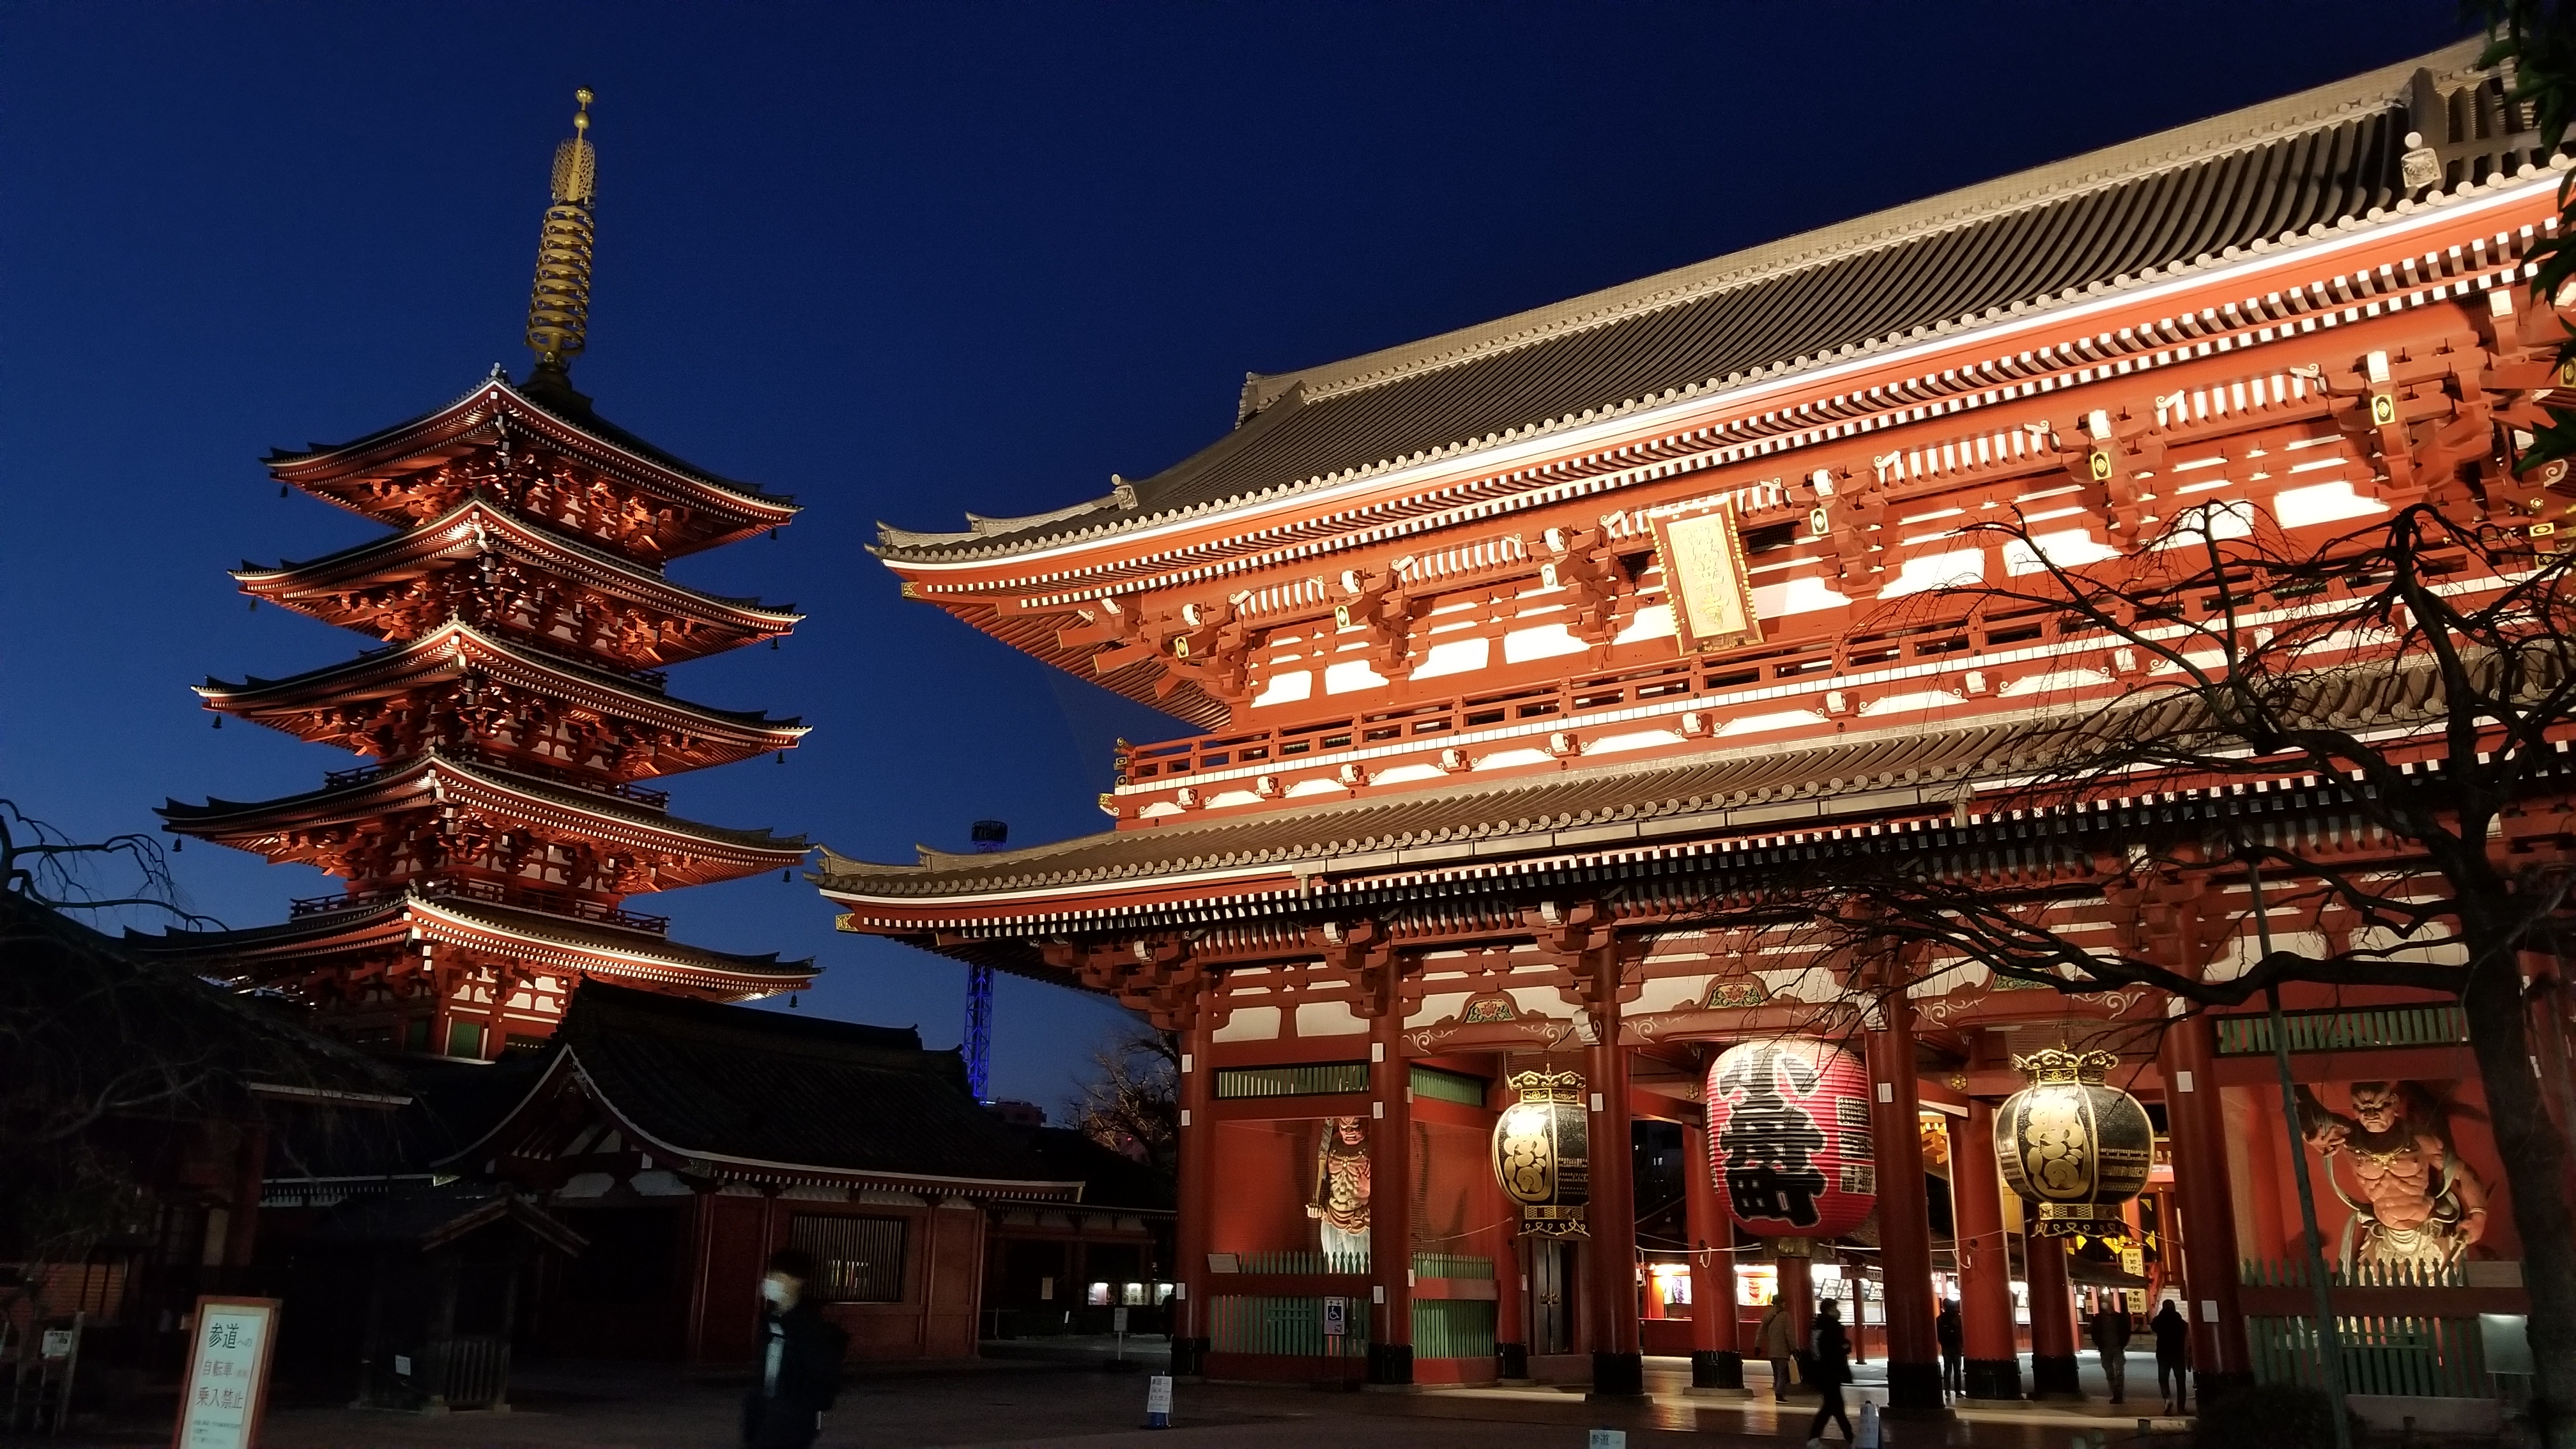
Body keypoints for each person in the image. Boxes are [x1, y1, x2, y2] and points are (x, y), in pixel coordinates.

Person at [741, 1248, 848, 1449]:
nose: (770, 1281)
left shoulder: (811, 1327)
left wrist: (800, 1410)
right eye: (770, 1276)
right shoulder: (771, 1319)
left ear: (797, 1281)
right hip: (764, 1415)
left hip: (792, 1422)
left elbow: (824, 1375)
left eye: (778, 1277)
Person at [1805, 1300, 1854, 1448]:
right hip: (1832, 1371)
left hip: (1821, 1371)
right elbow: (1836, 1348)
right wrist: (1846, 1346)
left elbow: (1817, 1349)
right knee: (1835, 1406)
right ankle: (1851, 1438)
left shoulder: (1817, 1326)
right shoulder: (1832, 1327)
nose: (1837, 1311)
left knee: (1831, 1406)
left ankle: (1814, 1439)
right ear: (1829, 1310)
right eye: (1835, 1308)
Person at [1755, 1295, 1798, 1401]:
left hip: (1772, 1351)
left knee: (1776, 1373)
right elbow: (1789, 1334)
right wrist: (1793, 1348)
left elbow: (1760, 1332)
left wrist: (1758, 1345)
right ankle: (1779, 1394)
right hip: (1782, 1351)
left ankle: (1777, 1389)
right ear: (1780, 1303)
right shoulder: (1785, 1316)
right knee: (1782, 1374)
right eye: (1783, 1302)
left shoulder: (1767, 1315)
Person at [2089, 1298, 2132, 1405]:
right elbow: (2094, 1334)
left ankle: (2119, 1394)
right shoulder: (2098, 1319)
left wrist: (2122, 1344)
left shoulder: (2119, 1318)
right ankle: (2115, 1393)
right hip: (2106, 1348)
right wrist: (2100, 1346)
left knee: (2119, 1372)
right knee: (2109, 1372)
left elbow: (2126, 1332)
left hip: (2117, 1347)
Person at [2152, 1300, 2189, 1413]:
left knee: (2163, 1379)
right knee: (2181, 1381)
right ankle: (2181, 1407)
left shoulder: (2158, 1320)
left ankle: (2167, 1398)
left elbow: (2153, 1327)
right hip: (2177, 1353)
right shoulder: (2179, 1321)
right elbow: (2186, 1329)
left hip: (2163, 1353)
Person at [1936, 1298, 1963, 1397]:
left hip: (1946, 1347)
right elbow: (1961, 1332)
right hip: (1957, 1347)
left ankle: (1947, 1390)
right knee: (1957, 1370)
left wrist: (1943, 1343)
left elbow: (1938, 1335)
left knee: (1947, 1369)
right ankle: (1958, 1391)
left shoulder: (1940, 1319)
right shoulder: (1958, 1318)